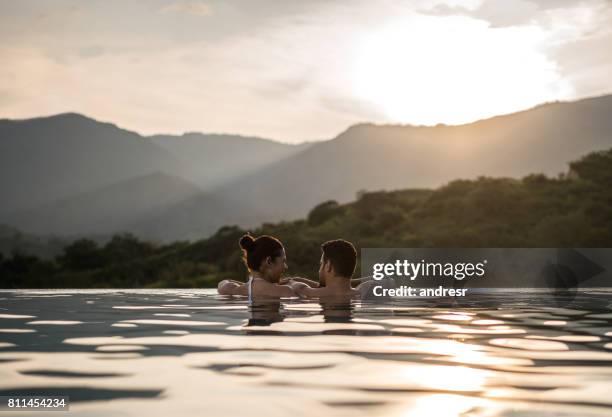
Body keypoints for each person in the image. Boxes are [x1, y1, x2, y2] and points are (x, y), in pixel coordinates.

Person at [217, 234, 295, 300]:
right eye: (283, 261)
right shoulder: (285, 291)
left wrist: (249, 284)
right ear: (269, 261)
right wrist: (294, 283)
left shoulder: (234, 290)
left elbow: (223, 283)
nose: (285, 267)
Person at [288, 239, 369, 298]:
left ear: (328, 265)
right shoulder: (363, 291)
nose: (319, 270)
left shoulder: (312, 293)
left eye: (321, 264)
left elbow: (299, 287)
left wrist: (291, 281)